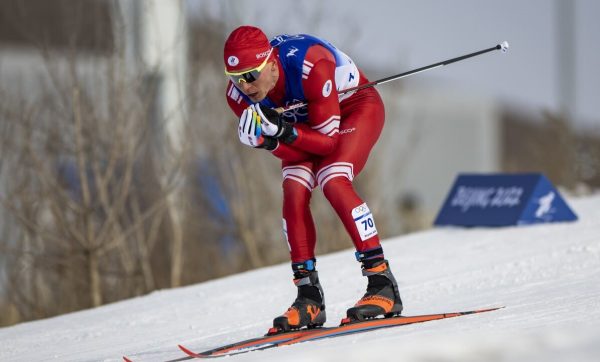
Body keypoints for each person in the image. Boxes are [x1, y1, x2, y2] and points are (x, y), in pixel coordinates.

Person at [223, 25, 403, 331]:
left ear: (270, 62)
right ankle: (308, 296)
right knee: (294, 189)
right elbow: (293, 154)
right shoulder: (238, 97)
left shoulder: (311, 65)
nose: (245, 87)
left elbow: (328, 143)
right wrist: (269, 142)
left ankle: (381, 281)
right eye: (235, 79)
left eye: (251, 75)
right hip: (303, 128)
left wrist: (281, 132)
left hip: (353, 110)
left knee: (333, 179)